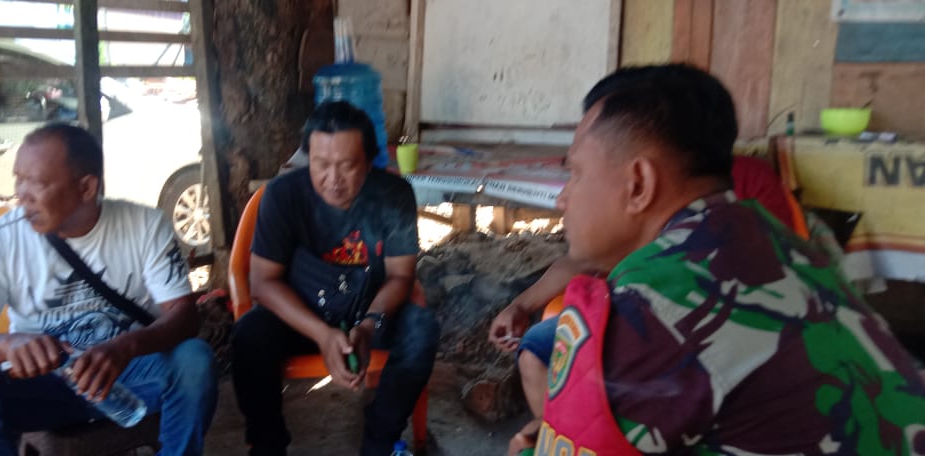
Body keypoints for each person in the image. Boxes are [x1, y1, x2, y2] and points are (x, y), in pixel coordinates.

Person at [529, 64, 924, 454]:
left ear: (639, 185)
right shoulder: (778, 242)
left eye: (576, 173)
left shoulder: (654, 304)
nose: (563, 197)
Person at [0, 123, 217, 456]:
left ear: (86, 187)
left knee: (194, 361)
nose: (22, 195)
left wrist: (124, 347)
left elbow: (184, 317)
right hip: (43, 387)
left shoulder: (144, 226)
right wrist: (9, 345)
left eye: (38, 183)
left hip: (128, 377)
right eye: (19, 179)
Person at [490, 152, 804, 453]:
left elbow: (774, 273)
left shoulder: (746, 185)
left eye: (578, 173)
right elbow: (581, 260)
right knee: (535, 348)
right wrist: (520, 306)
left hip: (713, 325)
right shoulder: (630, 193)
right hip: (638, 315)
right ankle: (553, 427)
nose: (562, 198)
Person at [231, 101, 439, 456]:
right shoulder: (282, 195)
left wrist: (370, 325)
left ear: (369, 161)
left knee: (421, 329)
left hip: (369, 314)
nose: (333, 179)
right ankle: (267, 446)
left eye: (347, 165)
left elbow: (401, 275)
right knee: (250, 333)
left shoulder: (394, 195)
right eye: (321, 164)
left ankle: (380, 442)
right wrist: (322, 334)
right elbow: (263, 284)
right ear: (307, 158)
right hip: (301, 318)